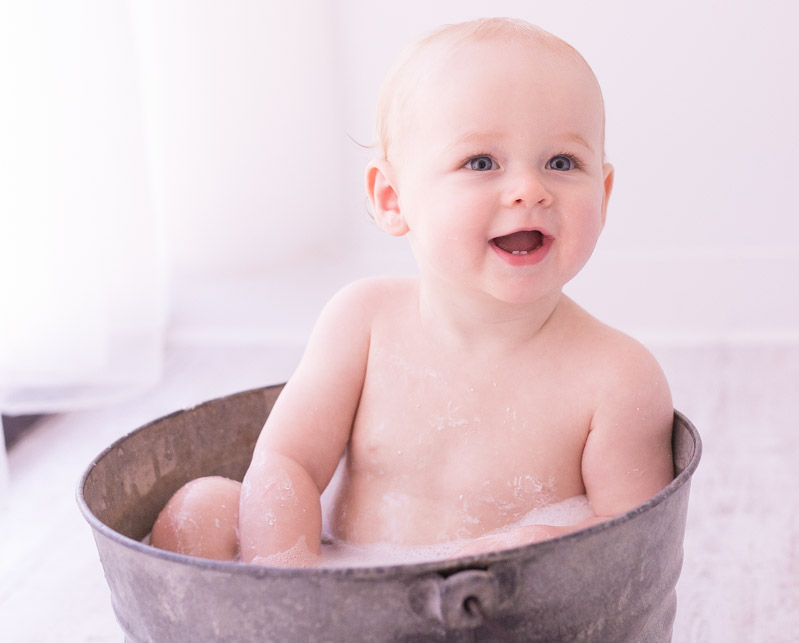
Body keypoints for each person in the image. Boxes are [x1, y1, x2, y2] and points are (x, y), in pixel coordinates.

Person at [150, 17, 674, 566]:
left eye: (562, 162)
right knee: (201, 507)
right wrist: (290, 589)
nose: (529, 189)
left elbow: (633, 545)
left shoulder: (617, 377)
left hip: (493, 616)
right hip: (329, 575)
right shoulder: (364, 322)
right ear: (393, 198)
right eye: (481, 162)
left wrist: (546, 545)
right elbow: (288, 464)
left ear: (604, 193)